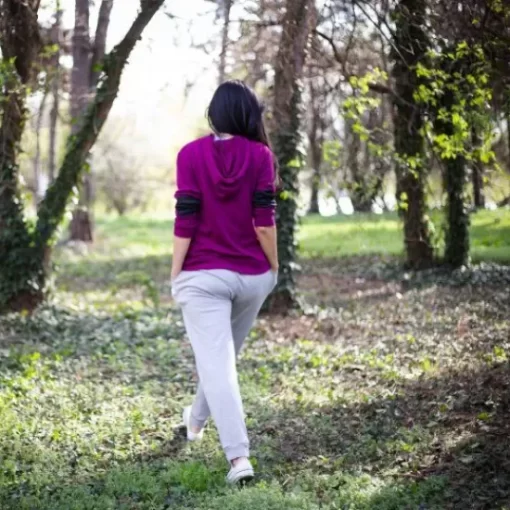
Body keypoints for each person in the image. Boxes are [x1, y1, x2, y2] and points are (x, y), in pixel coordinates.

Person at [170, 80, 279, 484]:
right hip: (253, 276)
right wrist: (274, 270)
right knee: (221, 360)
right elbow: (264, 223)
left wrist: (175, 271)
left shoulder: (190, 154)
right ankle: (195, 423)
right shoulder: (261, 155)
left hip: (202, 277)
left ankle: (239, 460)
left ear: (214, 115)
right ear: (249, 115)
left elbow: (186, 219)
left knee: (218, 365)